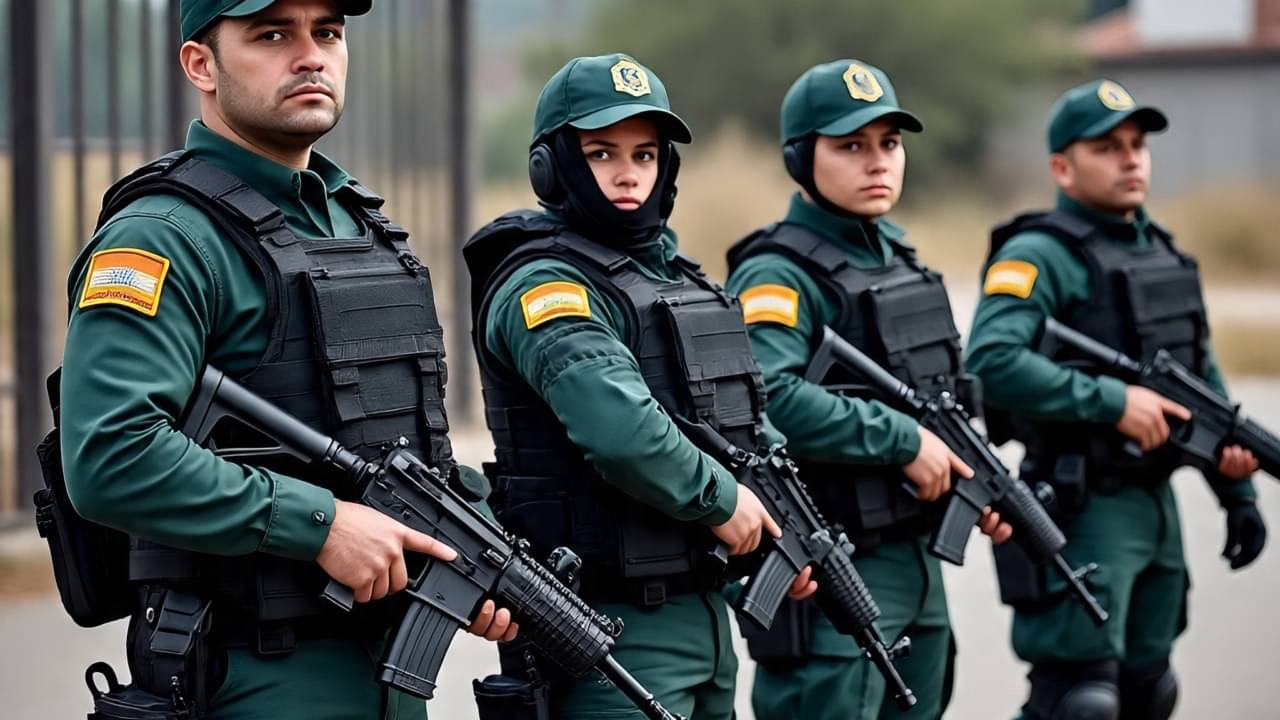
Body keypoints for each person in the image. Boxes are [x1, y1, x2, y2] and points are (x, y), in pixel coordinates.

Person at [58, 1, 511, 717]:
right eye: (272, 35)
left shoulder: (358, 224)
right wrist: (321, 524)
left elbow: (399, 444)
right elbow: (112, 456)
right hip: (256, 672)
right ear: (201, 65)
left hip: (384, 674)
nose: (310, 55)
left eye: (326, 32)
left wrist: (478, 546)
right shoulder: (161, 237)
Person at [463, 53, 814, 720]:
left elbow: (743, 422)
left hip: (702, 615)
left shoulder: (678, 279)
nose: (629, 173)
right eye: (602, 153)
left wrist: (780, 525)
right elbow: (621, 432)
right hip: (607, 630)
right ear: (551, 166)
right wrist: (724, 501)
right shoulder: (546, 284)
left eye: (645, 155)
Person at [965, 78, 1267, 720]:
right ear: (1062, 167)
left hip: (1154, 504)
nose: (1130, 159)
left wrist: (1236, 492)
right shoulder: (1037, 255)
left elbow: (1204, 382)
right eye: (1107, 148)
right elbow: (992, 361)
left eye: (1137, 144)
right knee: (1080, 702)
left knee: (1149, 691)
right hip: (1080, 503)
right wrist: (1112, 401)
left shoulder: (1164, 254)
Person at [725, 59, 1012, 720]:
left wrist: (972, 486)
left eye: (889, 142)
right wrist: (902, 440)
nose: (878, 161)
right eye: (851, 146)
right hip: (835, 563)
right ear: (801, 158)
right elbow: (769, 398)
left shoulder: (903, 262)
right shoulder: (778, 274)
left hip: (916, 561)